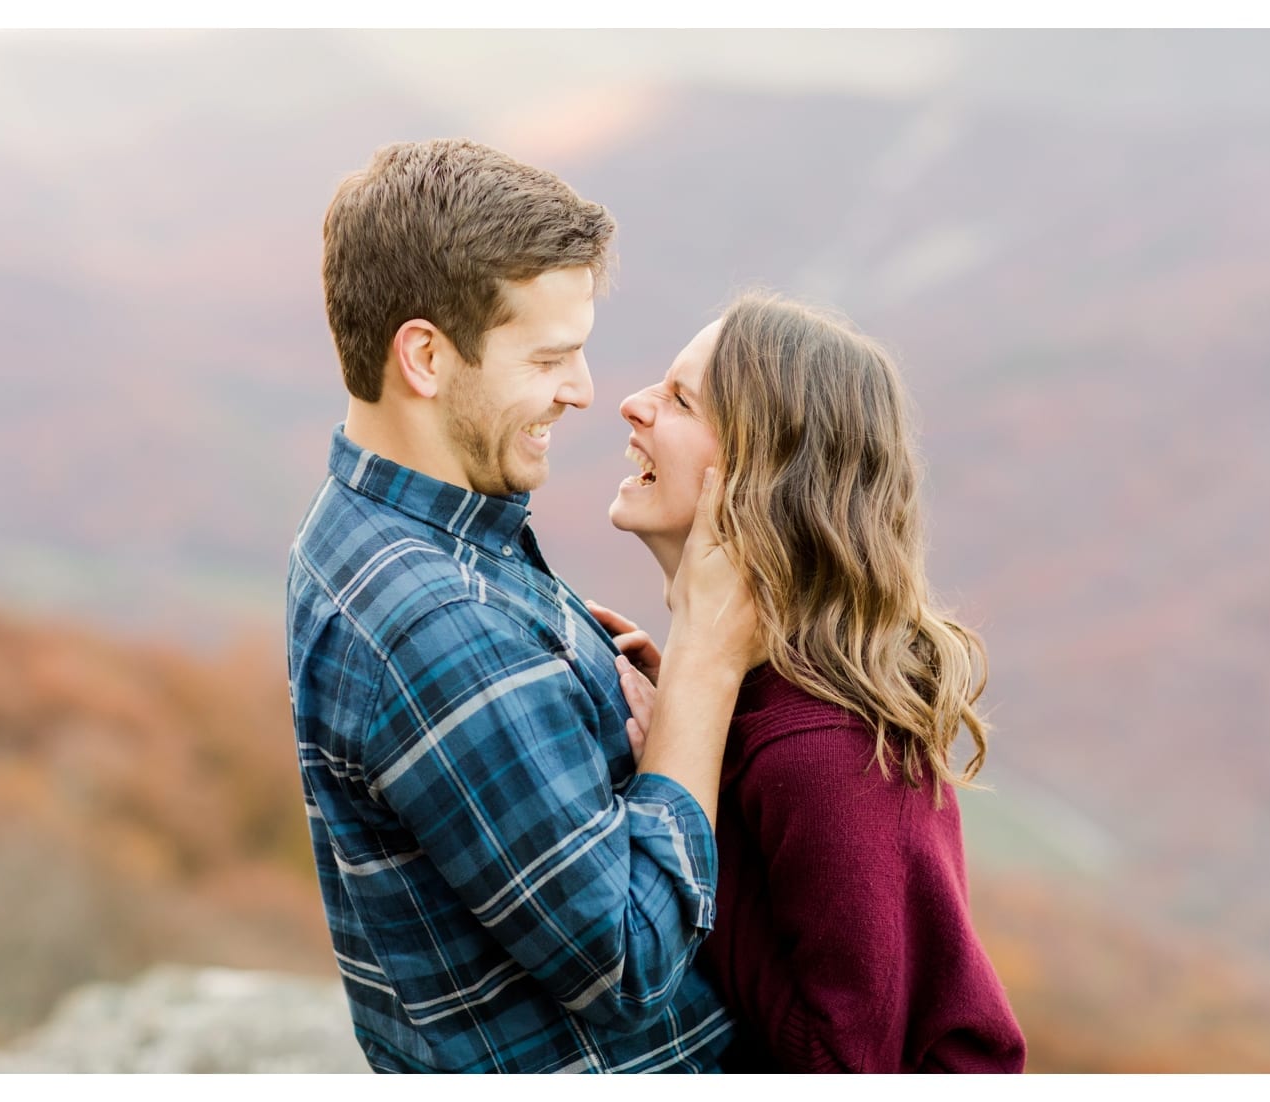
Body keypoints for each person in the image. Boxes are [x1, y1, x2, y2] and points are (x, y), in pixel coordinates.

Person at [285, 139, 759, 1073]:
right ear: (424, 355)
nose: (583, 391)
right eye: (552, 357)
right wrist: (707, 655)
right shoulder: (435, 620)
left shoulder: (393, 529)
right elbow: (632, 965)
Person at [594, 291, 1028, 1073]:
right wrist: (696, 722)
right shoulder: (773, 708)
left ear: (764, 477)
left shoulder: (826, 752)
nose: (632, 405)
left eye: (681, 399)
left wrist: (704, 825)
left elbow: (842, 1063)